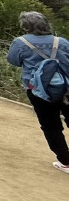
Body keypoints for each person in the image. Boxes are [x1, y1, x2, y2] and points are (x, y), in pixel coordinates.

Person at [7, 11, 69, 174]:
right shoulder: (61, 42)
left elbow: (13, 60)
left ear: (25, 26)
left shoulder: (20, 42)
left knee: (51, 126)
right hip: (66, 88)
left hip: (38, 90)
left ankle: (65, 161)